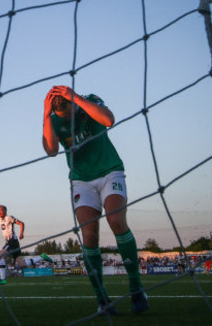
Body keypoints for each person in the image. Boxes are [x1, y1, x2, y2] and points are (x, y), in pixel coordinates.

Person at [42, 85, 149, 316]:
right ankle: (102, 300)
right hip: (81, 180)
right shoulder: (53, 119)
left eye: (70, 113)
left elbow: (109, 120)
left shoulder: (89, 101)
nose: (68, 120)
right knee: (89, 235)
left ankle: (136, 288)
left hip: (109, 170)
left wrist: (77, 99)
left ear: (73, 102)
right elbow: (50, 150)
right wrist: (45, 114)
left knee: (116, 220)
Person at [0, 205, 52, 285]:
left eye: (1, 210)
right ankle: (42, 257)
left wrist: (21, 233)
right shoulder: (0, 220)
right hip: (14, 244)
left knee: (0, 256)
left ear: (5, 211)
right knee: (23, 265)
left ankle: (2, 279)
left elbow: (21, 223)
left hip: (12, 242)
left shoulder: (9, 218)